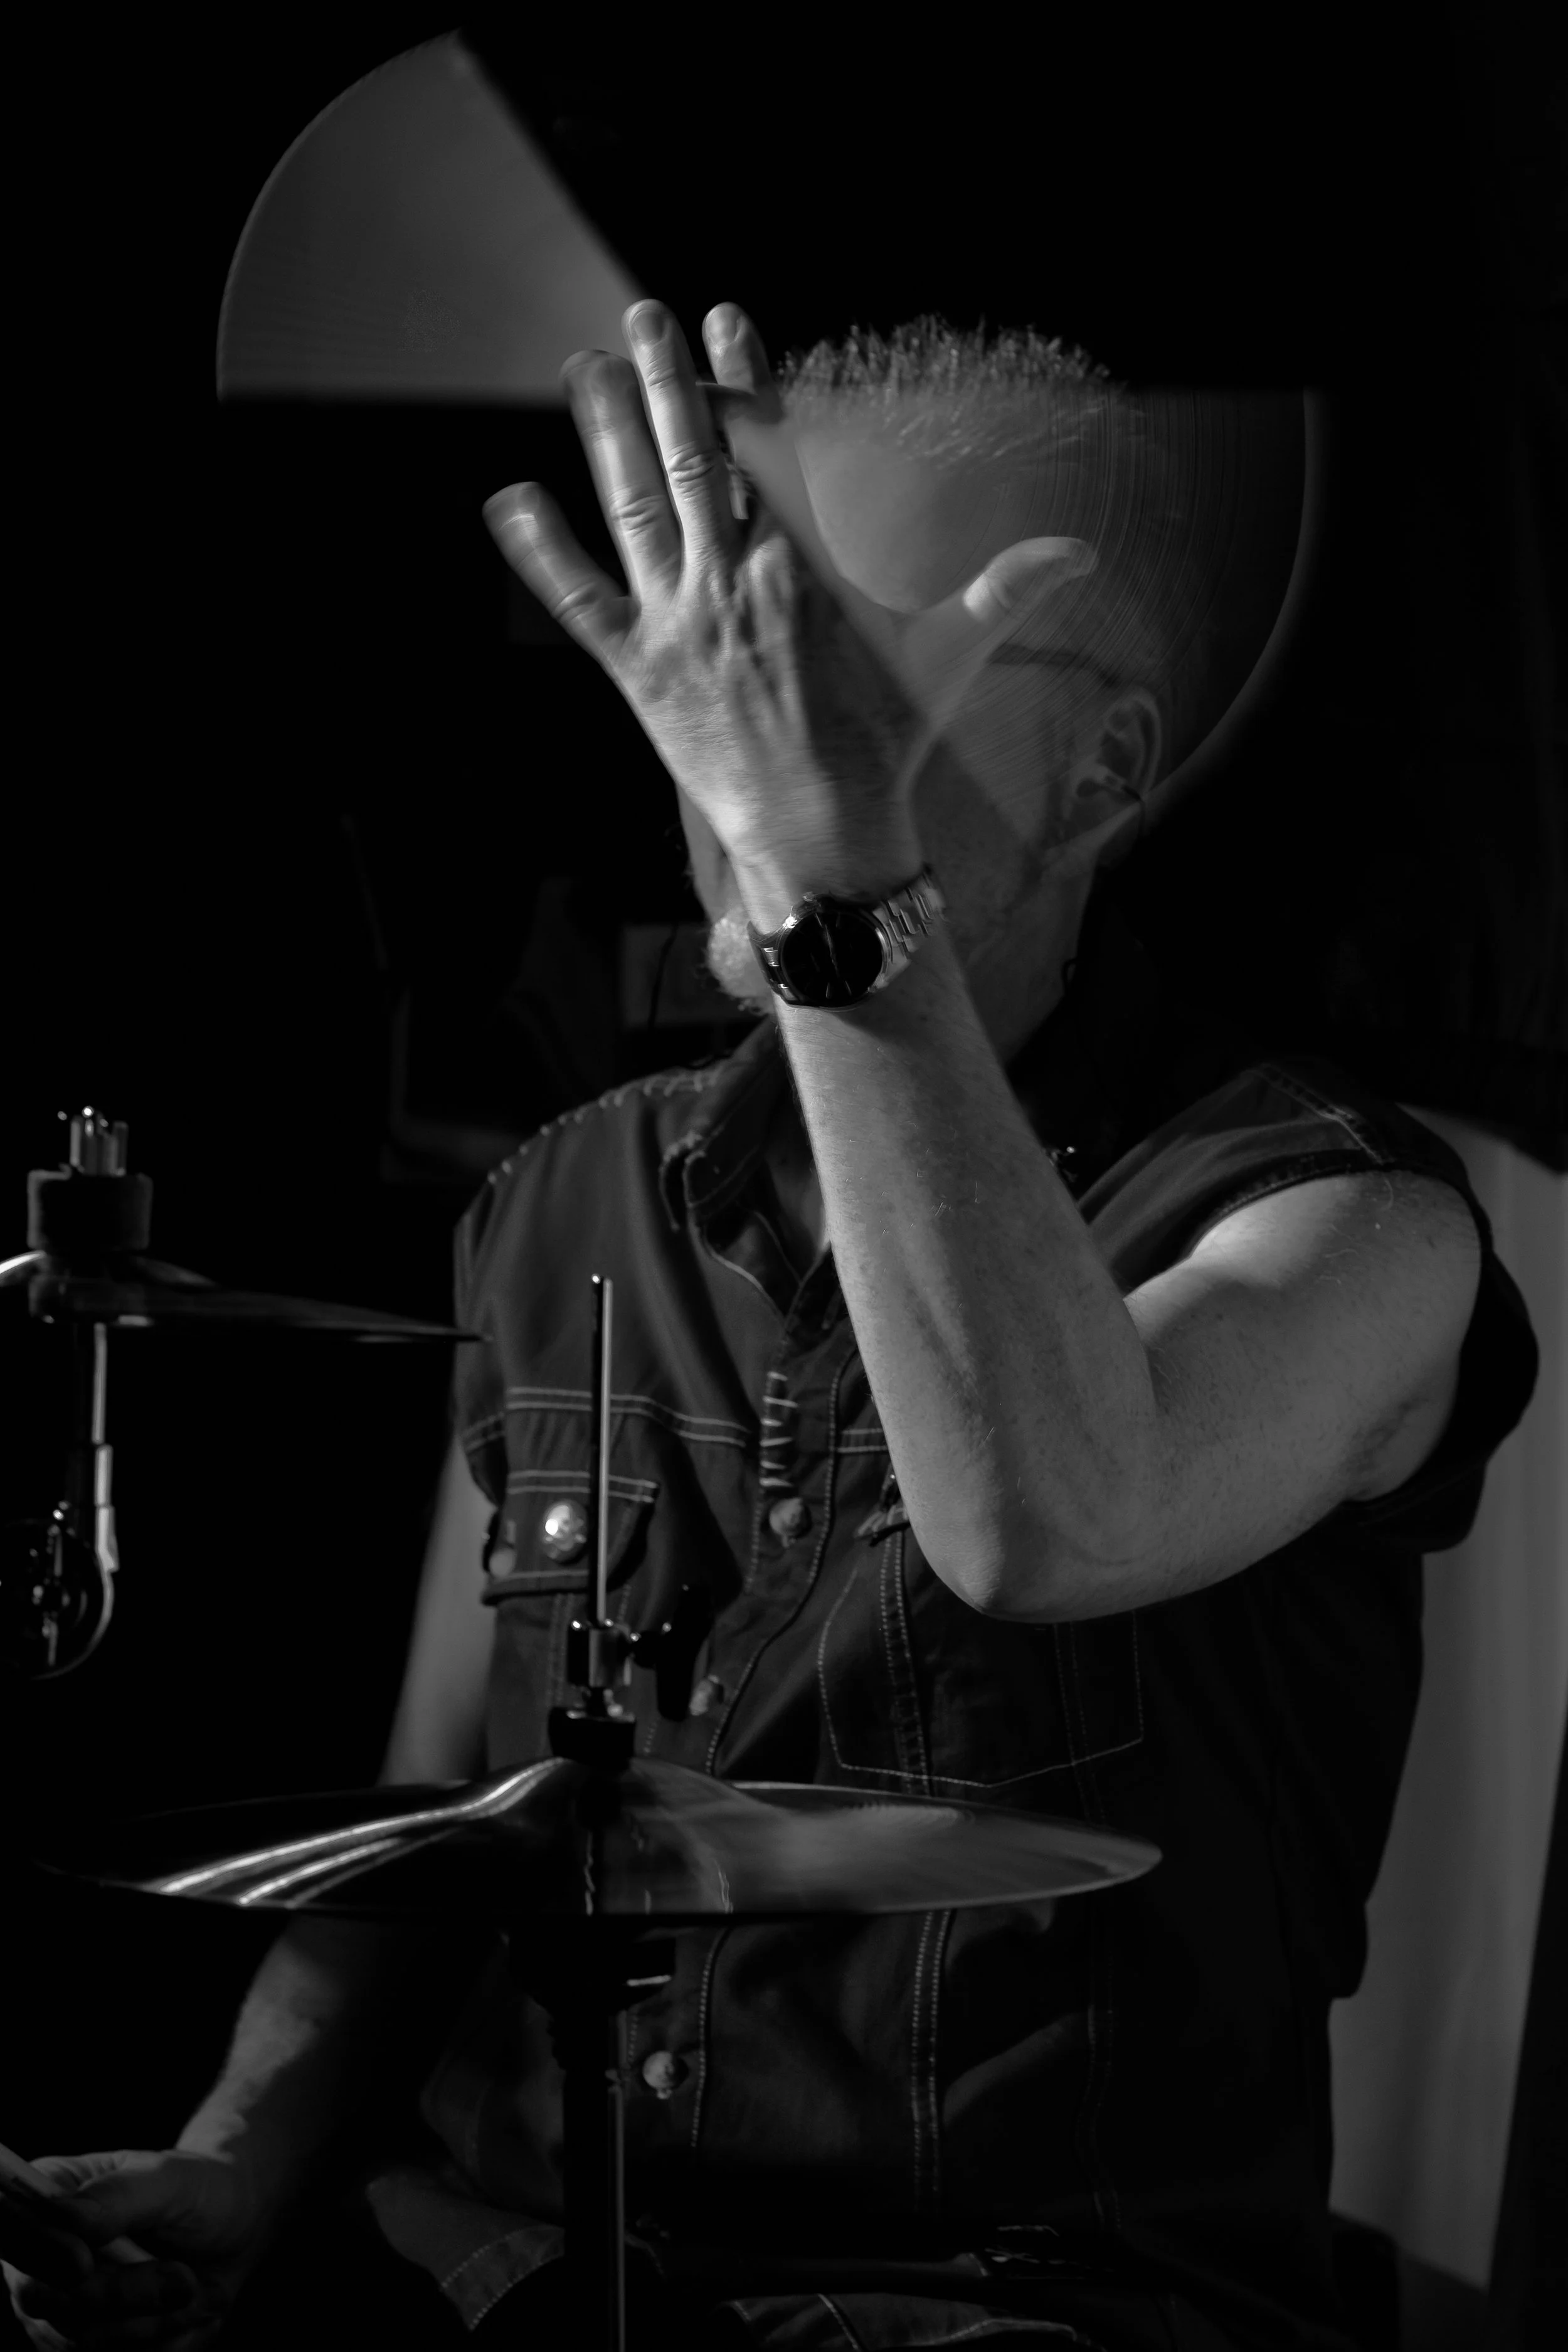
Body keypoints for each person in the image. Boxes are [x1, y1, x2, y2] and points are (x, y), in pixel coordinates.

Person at [3, 302, 1539, 2351]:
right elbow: (443, 1829)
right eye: (730, 642)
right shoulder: (562, 1199)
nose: (737, 725)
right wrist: (234, 2160)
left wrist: (837, 880)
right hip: (502, 2269)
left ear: (1100, 768)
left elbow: (1046, 1522)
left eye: (836, 659)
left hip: (1003, 2320)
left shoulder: (1343, 1222)